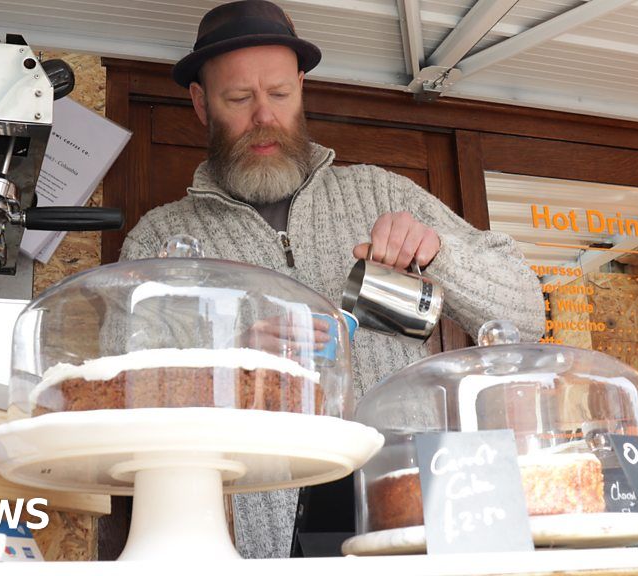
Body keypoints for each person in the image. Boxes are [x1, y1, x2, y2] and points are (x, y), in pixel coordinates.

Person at [119, 0, 545, 559]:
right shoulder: (159, 240)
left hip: (412, 512)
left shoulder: (379, 193)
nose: (264, 117)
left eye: (279, 94)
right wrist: (232, 365)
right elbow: (127, 397)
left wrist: (438, 253)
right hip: (259, 527)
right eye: (239, 99)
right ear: (201, 104)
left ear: (302, 87)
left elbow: (527, 312)